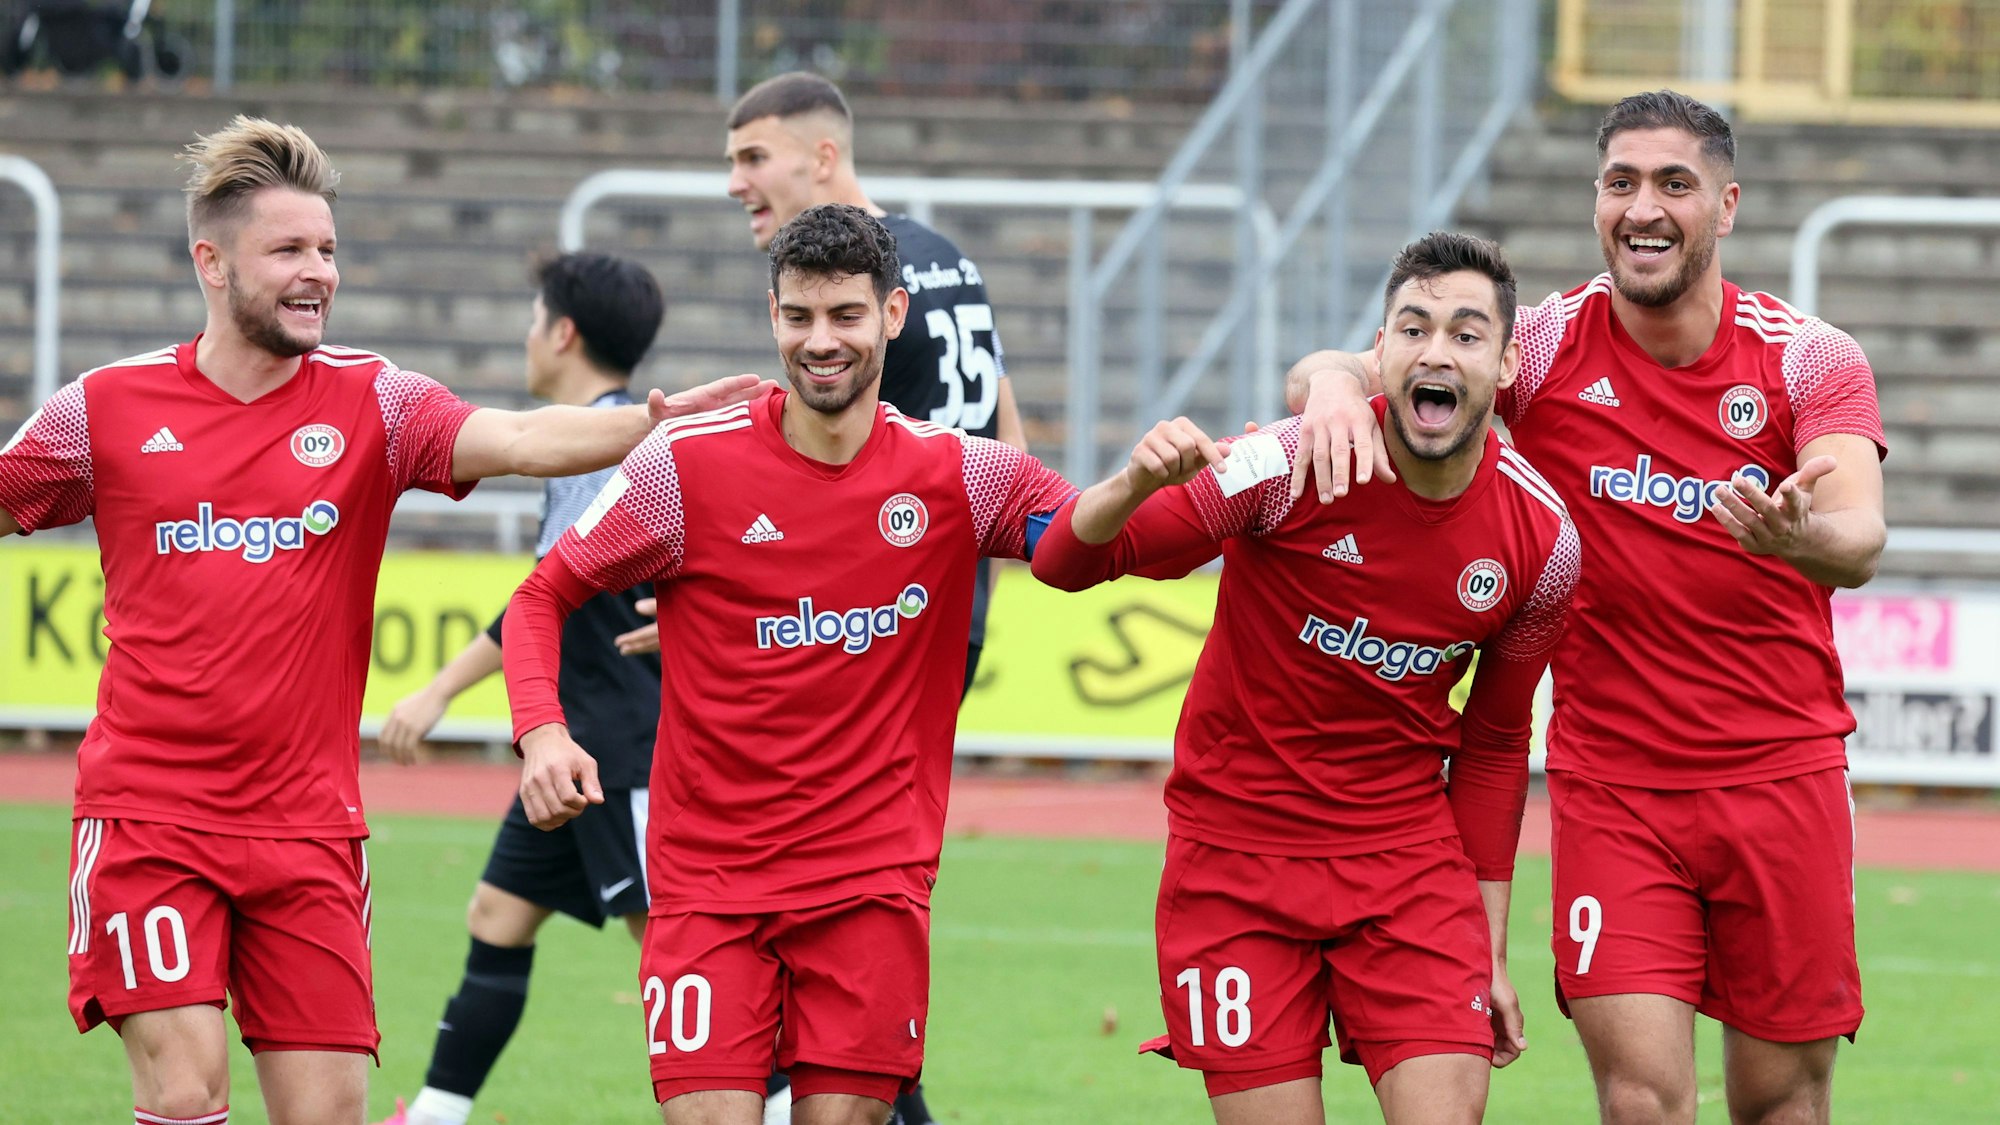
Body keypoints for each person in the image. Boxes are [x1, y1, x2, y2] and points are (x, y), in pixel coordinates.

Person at [0, 117, 767, 1125]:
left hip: (310, 831)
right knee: (185, 1091)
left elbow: (526, 437)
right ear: (211, 262)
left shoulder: (377, 402)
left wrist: (649, 426)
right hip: (150, 817)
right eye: (287, 250)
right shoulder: (101, 409)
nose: (317, 271)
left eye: (327, 250)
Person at [1292, 91, 1886, 1124]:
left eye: (1672, 184)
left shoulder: (1807, 359)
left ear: (1726, 205)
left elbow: (1857, 533)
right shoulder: (1546, 344)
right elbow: (1375, 357)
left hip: (1778, 776)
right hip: (1612, 786)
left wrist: (1803, 540)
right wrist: (1338, 391)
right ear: (1595, 200)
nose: (1641, 207)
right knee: (1640, 1099)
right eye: (1620, 183)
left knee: (1777, 1100)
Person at [501, 203, 1077, 1125]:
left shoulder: (957, 471)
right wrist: (540, 730)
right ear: (771, 315)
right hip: (708, 888)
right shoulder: (683, 469)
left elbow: (1089, 543)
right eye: (799, 317)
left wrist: (1181, 476)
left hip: (869, 888)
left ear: (892, 315)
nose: (821, 341)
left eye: (846, 315)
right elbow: (540, 597)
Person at [1033, 232, 1578, 1125]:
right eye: (1415, 327)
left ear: (1507, 362)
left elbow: (1490, 749)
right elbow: (1066, 561)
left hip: (1408, 869)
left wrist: (1489, 950)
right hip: (1235, 865)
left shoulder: (1544, 542)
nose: (1437, 350)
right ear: (1382, 351)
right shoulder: (1285, 464)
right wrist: (1131, 483)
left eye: (1467, 333)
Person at [373, 253, 670, 1125]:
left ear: (563, 332)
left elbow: (542, 601)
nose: (527, 335)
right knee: (499, 910)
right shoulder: (605, 431)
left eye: (535, 317)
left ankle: (775, 1104)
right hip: (573, 749)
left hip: (622, 749)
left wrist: (436, 692)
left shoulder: (595, 442)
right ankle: (433, 1113)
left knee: (677, 954)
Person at [721, 70, 1027, 700]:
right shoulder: (950, 258)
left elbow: (822, 469)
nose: (735, 184)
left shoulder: (851, 289)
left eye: (755, 159)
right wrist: (972, 603)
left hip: (867, 616)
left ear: (822, 157)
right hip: (944, 608)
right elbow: (1010, 442)